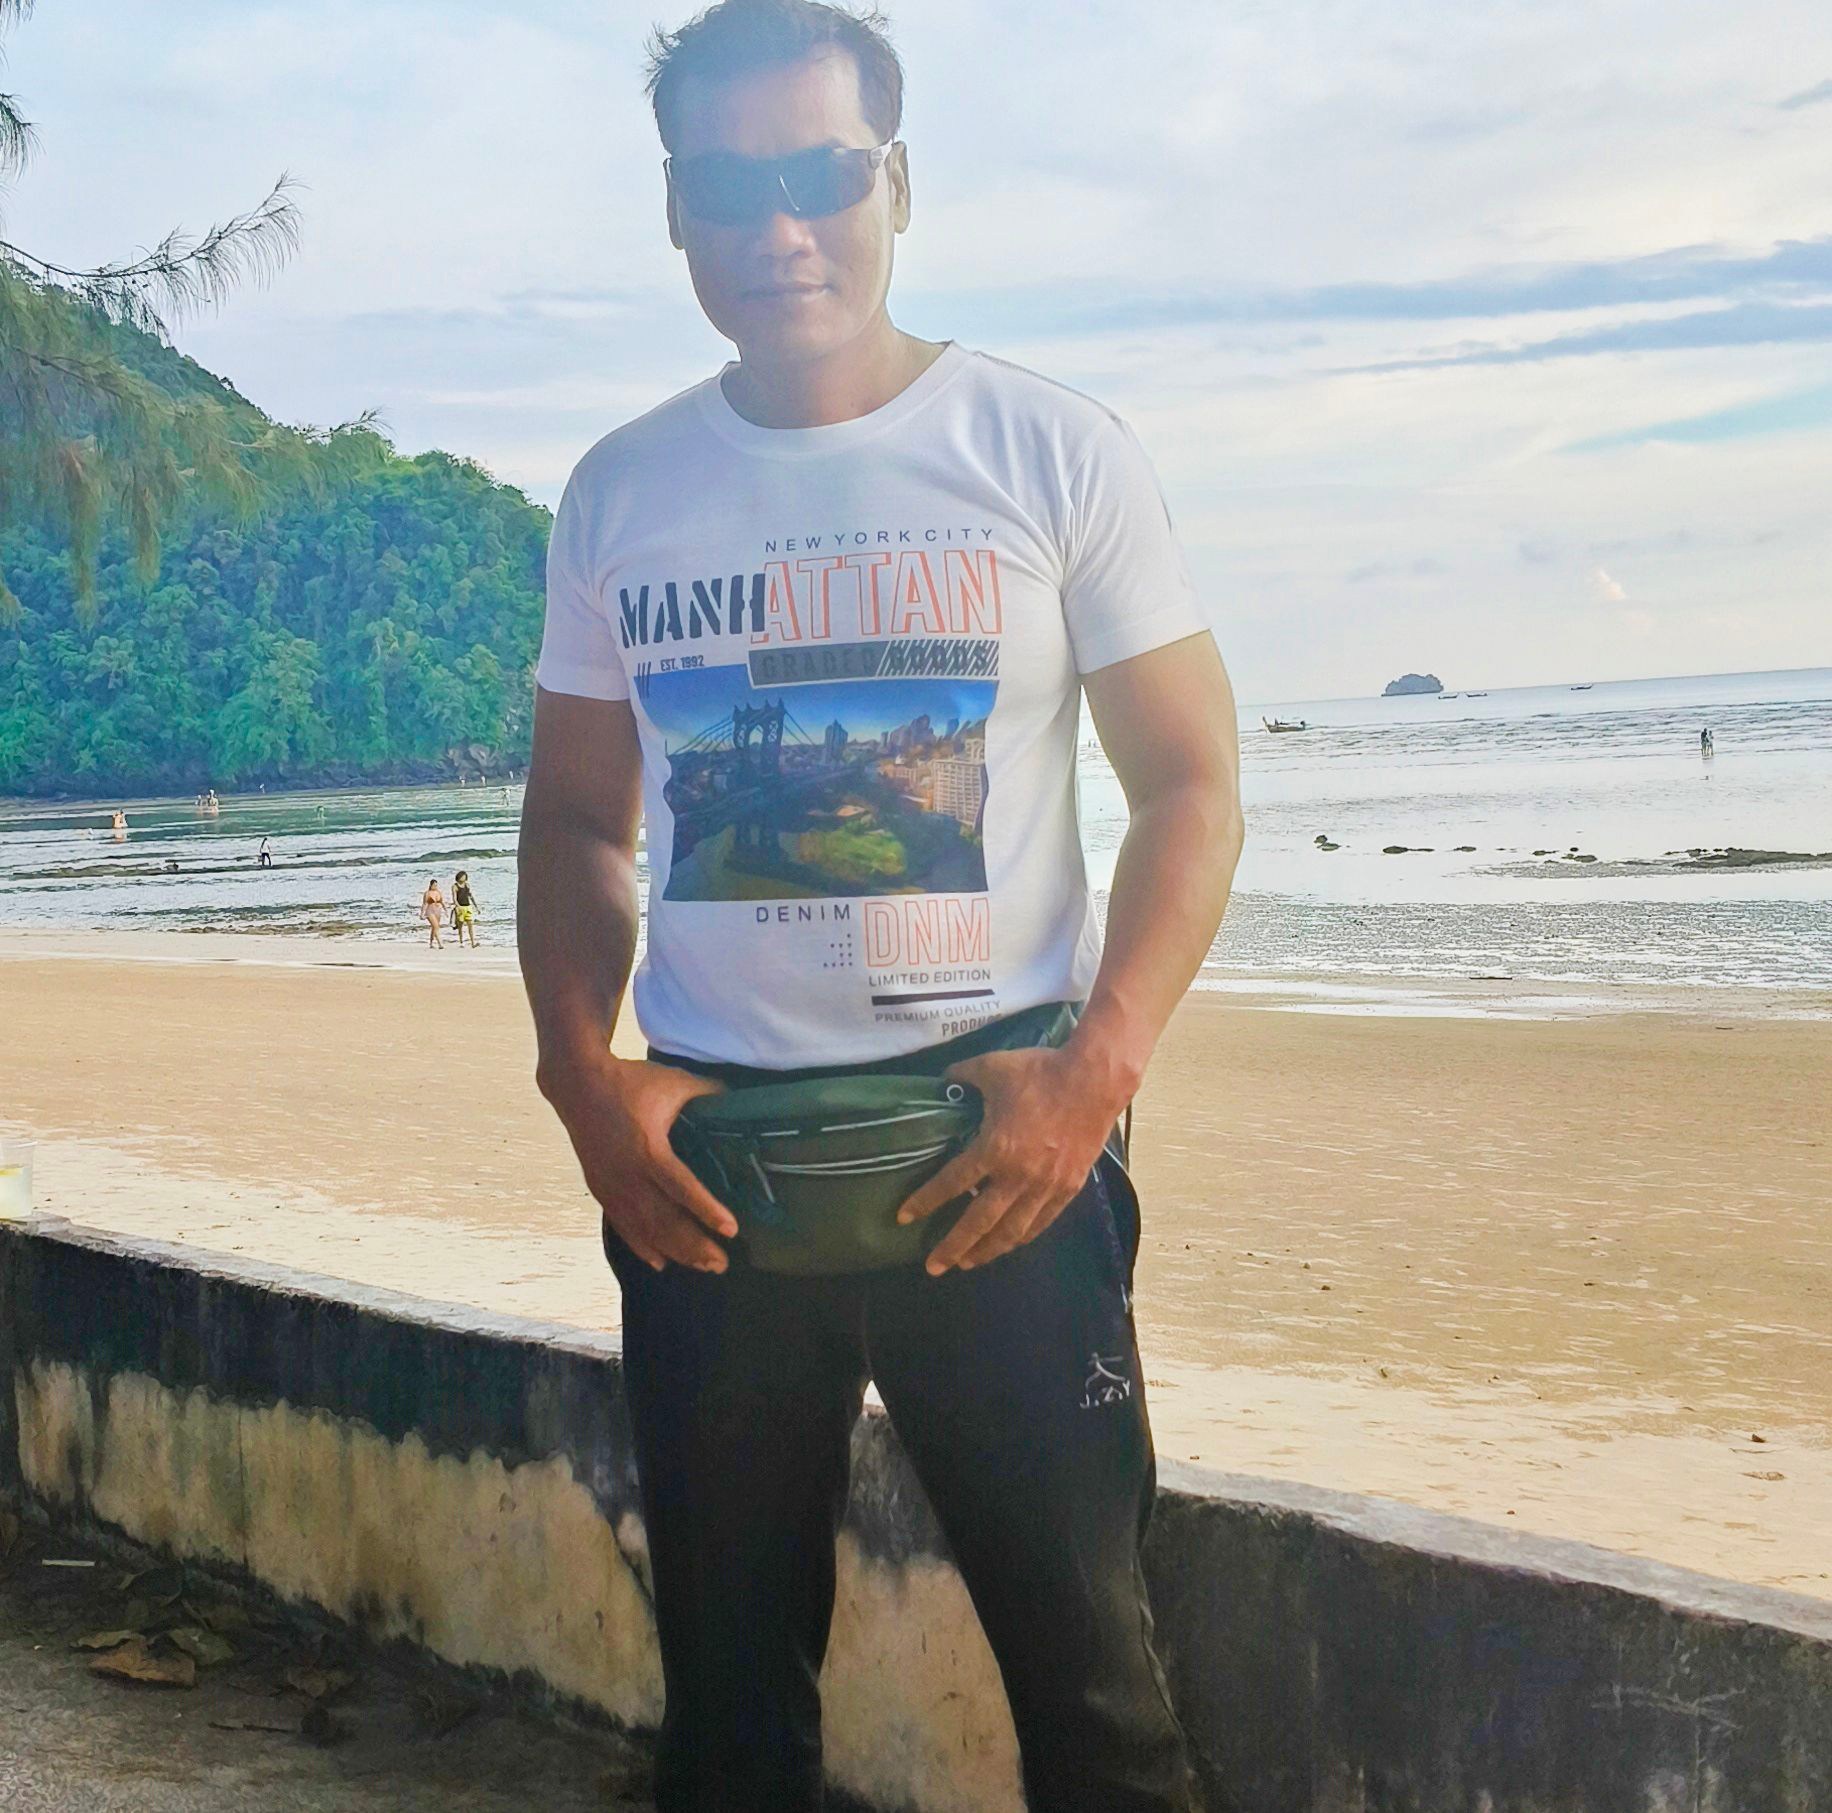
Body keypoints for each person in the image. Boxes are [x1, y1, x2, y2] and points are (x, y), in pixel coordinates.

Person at [518, 6, 1243, 1809]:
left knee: (1098, 1697)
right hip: (708, 1177)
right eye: (725, 185)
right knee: (729, 1715)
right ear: (673, 212)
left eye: (821, 174)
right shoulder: (621, 493)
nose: (778, 229)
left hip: (1002, 1151)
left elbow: (1190, 785)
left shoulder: (1047, 451)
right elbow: (581, 820)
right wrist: (579, 1076)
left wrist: (1096, 1068)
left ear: (895, 183)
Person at [451, 870, 480, 947]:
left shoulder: (467, 885)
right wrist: (458, 906)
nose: (463, 878)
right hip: (460, 907)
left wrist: (476, 907)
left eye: (464, 876)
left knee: (470, 925)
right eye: (462, 876)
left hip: (468, 906)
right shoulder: (455, 886)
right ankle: (461, 942)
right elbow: (454, 898)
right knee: (460, 926)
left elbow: (471, 896)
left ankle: (473, 942)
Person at [420, 876, 446, 949]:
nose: (435, 886)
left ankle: (431, 943)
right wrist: (422, 913)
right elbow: (425, 904)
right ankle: (440, 943)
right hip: (430, 911)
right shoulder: (427, 893)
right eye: (434, 885)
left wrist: (445, 910)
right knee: (436, 926)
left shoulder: (438, 892)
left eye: (436, 885)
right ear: (430, 885)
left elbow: (442, 902)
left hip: (437, 911)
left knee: (434, 927)